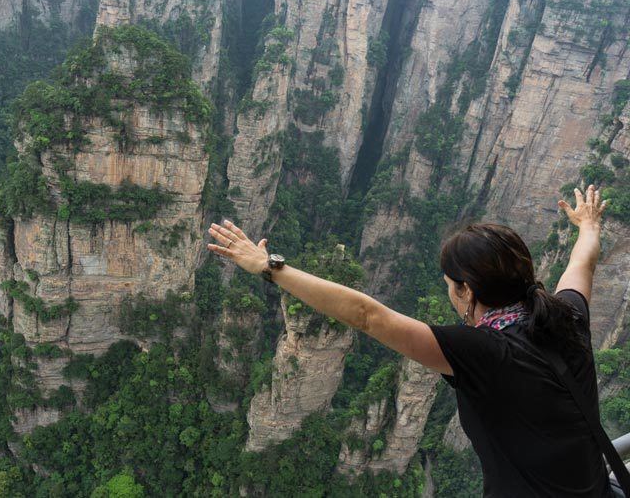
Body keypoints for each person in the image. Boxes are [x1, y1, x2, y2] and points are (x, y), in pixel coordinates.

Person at [207, 184, 613, 497]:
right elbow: (582, 262)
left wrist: (268, 267)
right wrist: (588, 225)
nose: (449, 293)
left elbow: (367, 315)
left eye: (450, 285)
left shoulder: (483, 352)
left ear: (467, 291)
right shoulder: (568, 315)